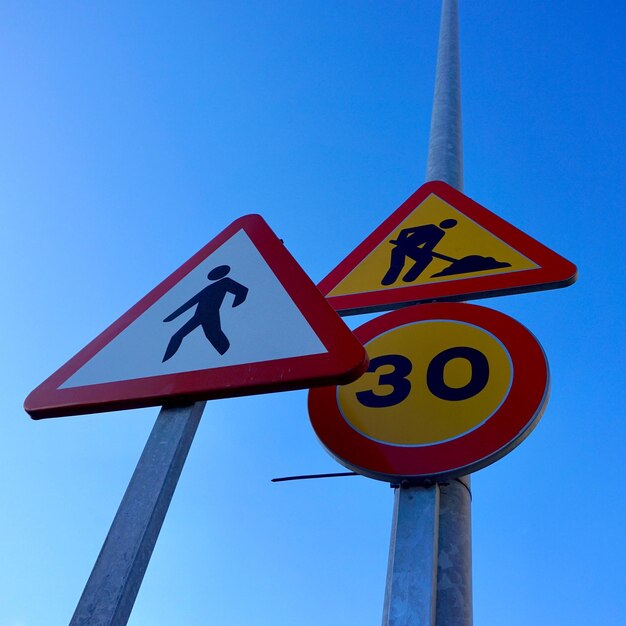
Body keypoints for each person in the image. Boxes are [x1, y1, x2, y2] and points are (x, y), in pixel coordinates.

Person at [162, 264, 248, 362]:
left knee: (213, 334)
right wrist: (172, 317)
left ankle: (231, 358)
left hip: (211, 314)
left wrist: (236, 303)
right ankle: (164, 361)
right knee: (177, 336)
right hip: (198, 316)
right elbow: (190, 303)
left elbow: (243, 290)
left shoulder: (225, 282)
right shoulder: (208, 288)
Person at [381, 219, 457, 285]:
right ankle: (388, 281)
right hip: (401, 247)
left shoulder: (440, 233)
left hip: (410, 249)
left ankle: (409, 278)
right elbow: (405, 231)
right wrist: (400, 241)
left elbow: (429, 246)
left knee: (426, 258)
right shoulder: (431, 227)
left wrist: (425, 251)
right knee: (398, 264)